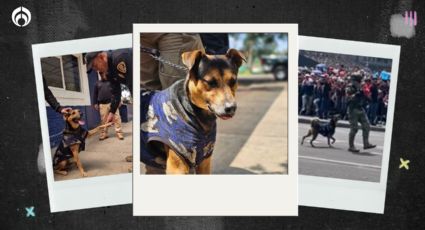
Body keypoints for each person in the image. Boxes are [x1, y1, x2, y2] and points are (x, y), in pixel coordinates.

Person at [85, 49, 133, 123]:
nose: (96, 70)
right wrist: (112, 112)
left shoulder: (120, 58)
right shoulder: (108, 73)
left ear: (101, 57)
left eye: (95, 65)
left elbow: (133, 82)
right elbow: (116, 92)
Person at [346, 73, 376, 152]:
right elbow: (348, 98)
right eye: (358, 81)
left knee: (367, 126)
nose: (359, 82)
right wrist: (356, 94)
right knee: (354, 128)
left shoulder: (361, 87)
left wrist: (367, 97)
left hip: (360, 108)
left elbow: (366, 96)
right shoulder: (350, 87)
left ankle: (366, 143)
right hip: (352, 110)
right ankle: (351, 146)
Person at [92, 73, 124, 140]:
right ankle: (104, 133)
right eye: (100, 74)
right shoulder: (97, 83)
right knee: (104, 120)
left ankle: (119, 132)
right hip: (102, 104)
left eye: (103, 73)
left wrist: (119, 100)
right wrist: (95, 103)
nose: (102, 75)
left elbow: (117, 92)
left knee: (117, 118)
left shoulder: (112, 82)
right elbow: (95, 94)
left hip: (113, 103)